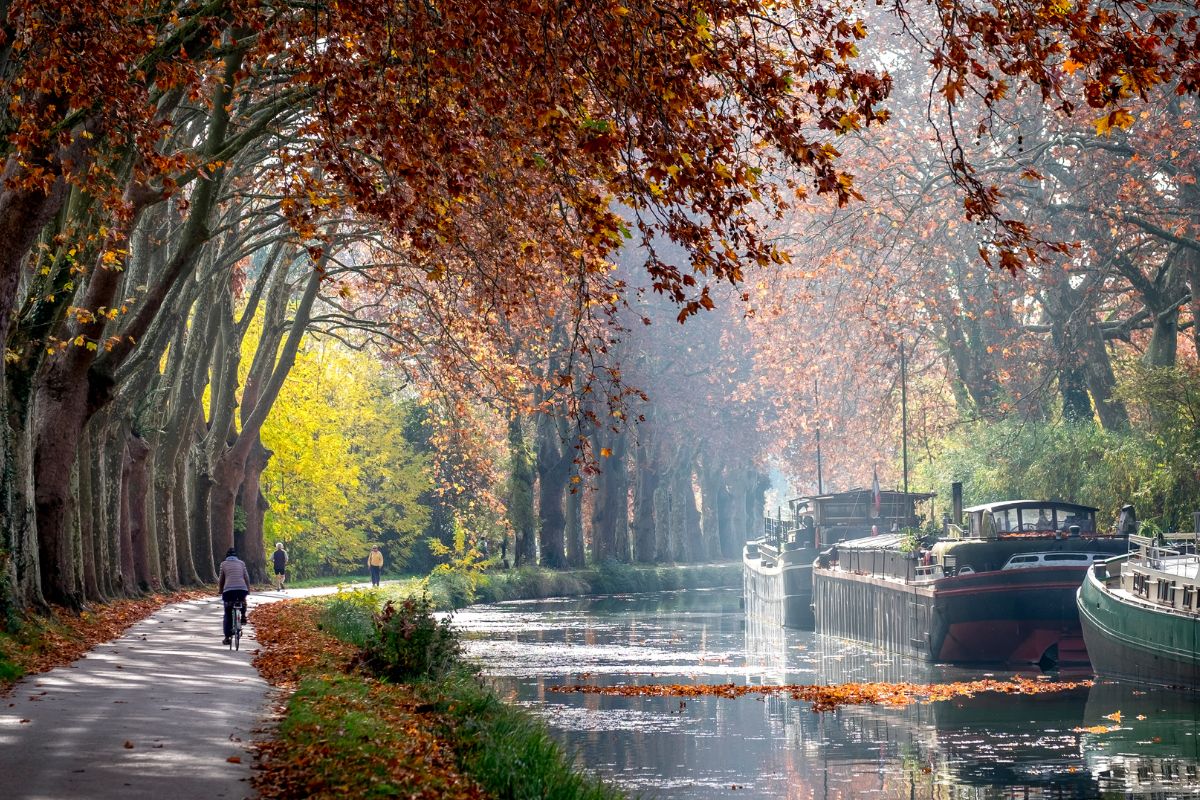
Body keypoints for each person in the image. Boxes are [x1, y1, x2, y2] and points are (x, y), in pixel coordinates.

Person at [217, 547, 251, 646]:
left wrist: (220, 590)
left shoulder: (223, 564)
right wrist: (248, 589)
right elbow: (246, 577)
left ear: (227, 556)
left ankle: (227, 637)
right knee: (242, 600)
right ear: (236, 556)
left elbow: (221, 579)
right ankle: (243, 616)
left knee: (227, 612)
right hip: (241, 589)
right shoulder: (241, 563)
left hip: (228, 590)